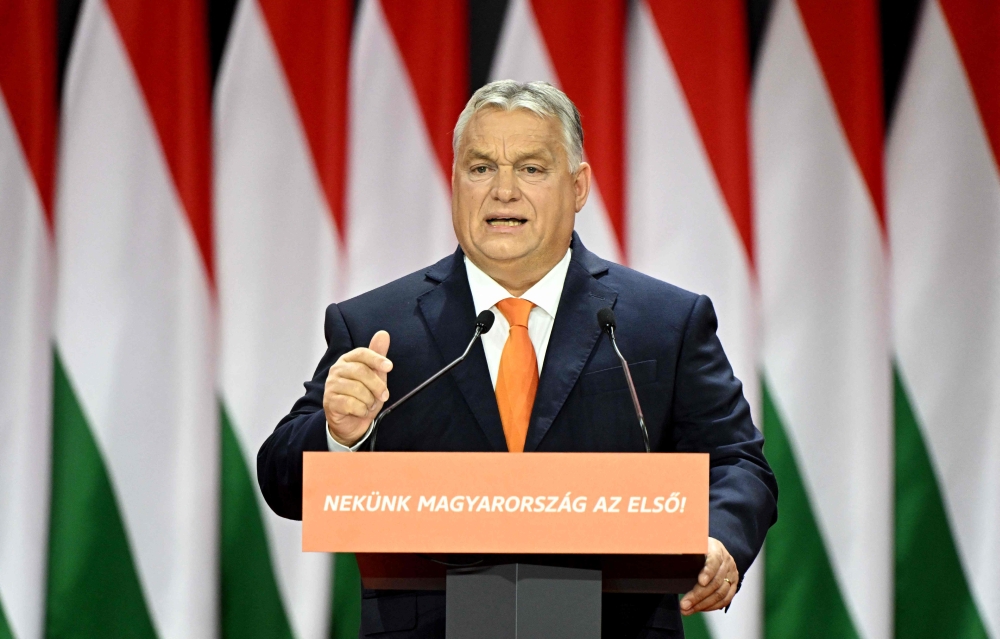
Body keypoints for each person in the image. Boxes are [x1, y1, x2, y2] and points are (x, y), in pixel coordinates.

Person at [258, 80, 777, 638]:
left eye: (531, 168)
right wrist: (340, 435)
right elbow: (281, 480)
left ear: (578, 187)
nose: (503, 191)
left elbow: (737, 461)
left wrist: (718, 538)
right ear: (455, 181)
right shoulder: (377, 327)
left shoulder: (662, 322)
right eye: (481, 168)